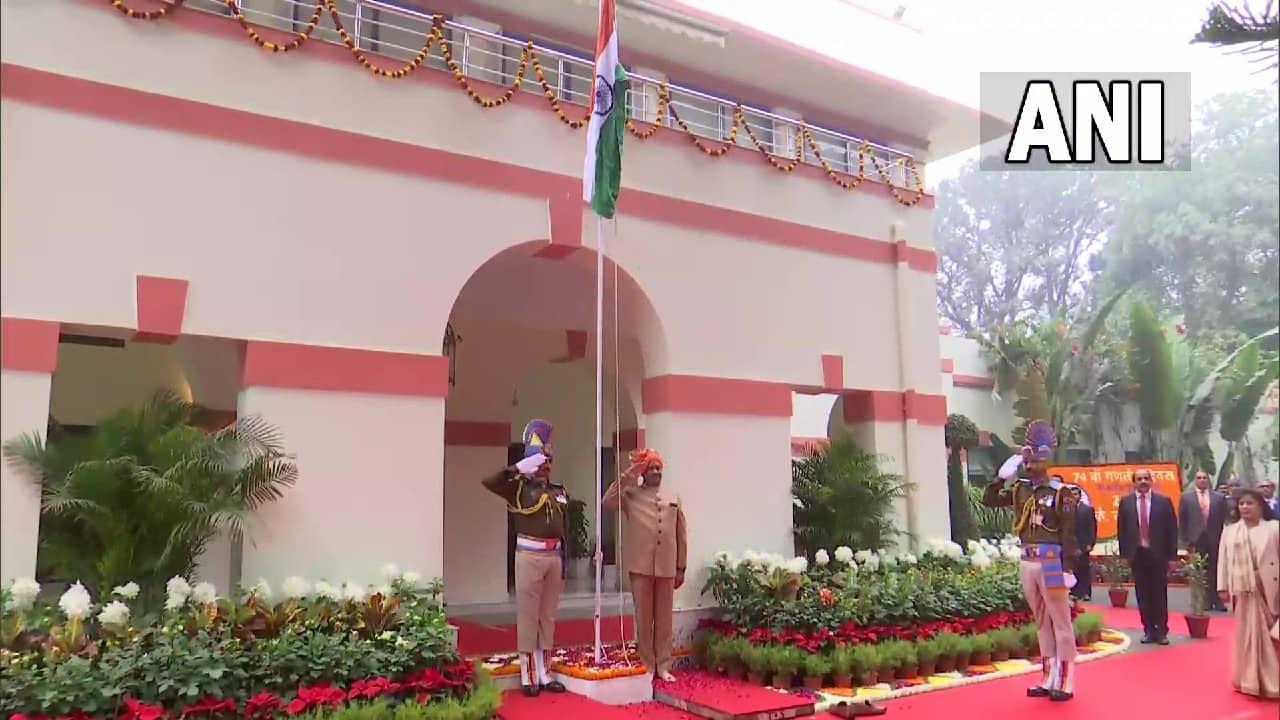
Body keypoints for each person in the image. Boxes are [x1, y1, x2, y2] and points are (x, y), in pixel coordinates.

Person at [983, 420, 1078, 702]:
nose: (1027, 464)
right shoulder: (1021, 490)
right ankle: (1047, 676)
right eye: (1025, 459)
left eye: (1032, 460)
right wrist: (1000, 478)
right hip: (1027, 557)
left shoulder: (1060, 492)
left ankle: (1065, 680)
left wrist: (1069, 568)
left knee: (1061, 622)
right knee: (1041, 622)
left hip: (1051, 559)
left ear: (1045, 460)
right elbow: (989, 500)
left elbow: (1069, 533)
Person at [481, 419, 568, 697]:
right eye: (539, 463)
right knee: (529, 616)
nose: (544, 468)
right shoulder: (517, 487)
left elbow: (561, 528)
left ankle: (546, 673)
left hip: (554, 557)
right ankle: (528, 675)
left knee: (548, 617)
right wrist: (518, 469)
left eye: (547, 463)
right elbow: (489, 482)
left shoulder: (558, 491)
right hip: (529, 555)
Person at [603, 447, 687, 682]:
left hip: (667, 566)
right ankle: (647, 664)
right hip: (640, 567)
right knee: (644, 618)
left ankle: (664, 665)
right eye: (651, 468)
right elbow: (607, 501)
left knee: (664, 619)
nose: (656, 471)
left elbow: (682, 534)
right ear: (643, 472)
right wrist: (628, 475)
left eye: (659, 467)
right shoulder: (631, 495)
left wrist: (681, 566)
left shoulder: (672, 495)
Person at [1216, 488, 1279, 699]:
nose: (1244, 507)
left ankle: (1273, 682)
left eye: (1249, 503)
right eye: (1241, 504)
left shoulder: (1273, 529)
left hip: (1270, 587)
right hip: (1244, 590)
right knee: (1248, 636)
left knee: (1271, 636)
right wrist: (1222, 587)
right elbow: (1223, 561)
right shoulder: (1231, 531)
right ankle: (1250, 680)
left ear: (1261, 506)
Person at [1116, 468, 1179, 645]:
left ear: (1151, 481)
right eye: (1139, 479)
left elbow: (1172, 531)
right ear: (1134, 482)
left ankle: (1162, 631)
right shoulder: (1126, 503)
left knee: (1159, 593)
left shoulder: (1163, 502)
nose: (1143, 481)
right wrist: (1124, 555)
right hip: (1137, 555)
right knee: (1142, 594)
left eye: (1146, 478)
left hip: (1158, 554)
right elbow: (1122, 530)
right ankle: (1148, 630)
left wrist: (1172, 557)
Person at [1180, 468, 1229, 612]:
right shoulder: (1186, 497)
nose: (1202, 480)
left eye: (1204, 478)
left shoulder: (1219, 498)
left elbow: (1223, 518)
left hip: (1215, 538)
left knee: (1215, 570)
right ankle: (1203, 600)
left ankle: (1216, 600)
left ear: (1208, 480)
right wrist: (1185, 540)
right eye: (1199, 478)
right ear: (1195, 480)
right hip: (1196, 539)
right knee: (1200, 571)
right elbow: (1182, 520)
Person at [1068, 485, 1097, 602]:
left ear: (1080, 496)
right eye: (1072, 495)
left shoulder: (1087, 509)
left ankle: (1086, 592)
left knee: (1084, 569)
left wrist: (1091, 543)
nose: (1074, 497)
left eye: (1076, 494)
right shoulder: (1066, 510)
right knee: (1072, 569)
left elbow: (1092, 528)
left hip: (1084, 544)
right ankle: (1074, 592)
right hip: (1070, 545)